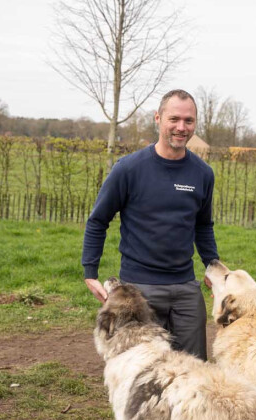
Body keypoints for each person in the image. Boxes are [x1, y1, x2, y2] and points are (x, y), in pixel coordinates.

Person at [82, 89, 218, 361]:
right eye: (174, 119)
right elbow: (98, 220)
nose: (181, 127)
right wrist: (90, 271)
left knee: (194, 370)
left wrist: (212, 265)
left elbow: (203, 226)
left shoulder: (202, 174)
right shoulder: (129, 169)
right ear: (158, 118)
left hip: (185, 288)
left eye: (188, 121)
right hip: (139, 288)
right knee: (143, 370)